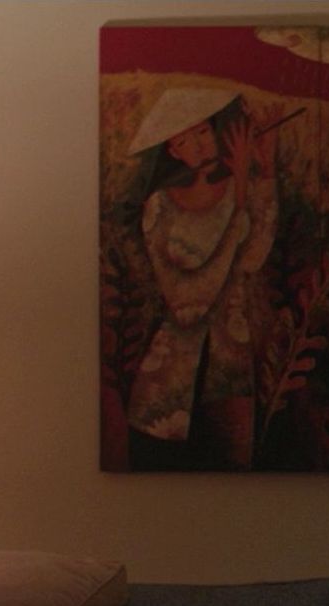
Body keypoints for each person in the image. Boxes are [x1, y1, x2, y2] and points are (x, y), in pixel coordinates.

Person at [124, 87, 280, 469]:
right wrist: (240, 202)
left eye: (204, 132)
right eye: (184, 140)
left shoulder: (237, 190)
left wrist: (265, 173)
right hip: (171, 378)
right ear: (172, 151)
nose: (199, 145)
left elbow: (253, 258)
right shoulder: (160, 205)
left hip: (231, 365)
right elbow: (187, 303)